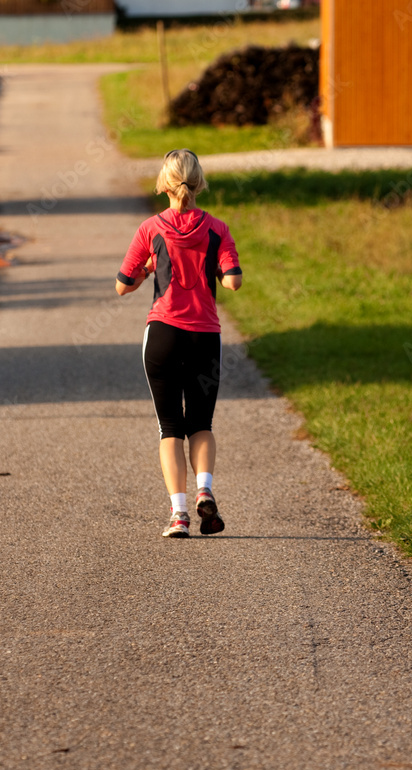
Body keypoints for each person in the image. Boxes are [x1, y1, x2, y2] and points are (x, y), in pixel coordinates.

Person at [115, 149, 242, 538]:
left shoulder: (150, 229)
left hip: (163, 336)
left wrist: (151, 267)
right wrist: (218, 269)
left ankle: (180, 515)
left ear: (164, 185)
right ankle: (205, 488)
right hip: (205, 336)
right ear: (199, 182)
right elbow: (232, 280)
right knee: (201, 422)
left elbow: (123, 285)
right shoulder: (217, 228)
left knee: (169, 426)